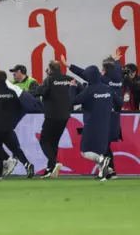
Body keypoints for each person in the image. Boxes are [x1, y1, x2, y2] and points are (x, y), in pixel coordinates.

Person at [64, 50, 123, 179]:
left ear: (104, 71)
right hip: (108, 122)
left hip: (92, 124)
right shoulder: (110, 87)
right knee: (103, 147)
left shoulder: (89, 91)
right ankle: (106, 172)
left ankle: (103, 162)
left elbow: (73, 102)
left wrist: (72, 87)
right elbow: (119, 103)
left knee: (86, 151)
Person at [30, 60, 74, 178]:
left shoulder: (49, 80)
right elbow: (79, 89)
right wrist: (70, 103)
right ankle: (50, 169)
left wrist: (28, 93)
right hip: (65, 115)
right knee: (54, 142)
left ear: (50, 70)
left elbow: (40, 91)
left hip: (52, 115)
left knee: (44, 141)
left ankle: (53, 162)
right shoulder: (68, 79)